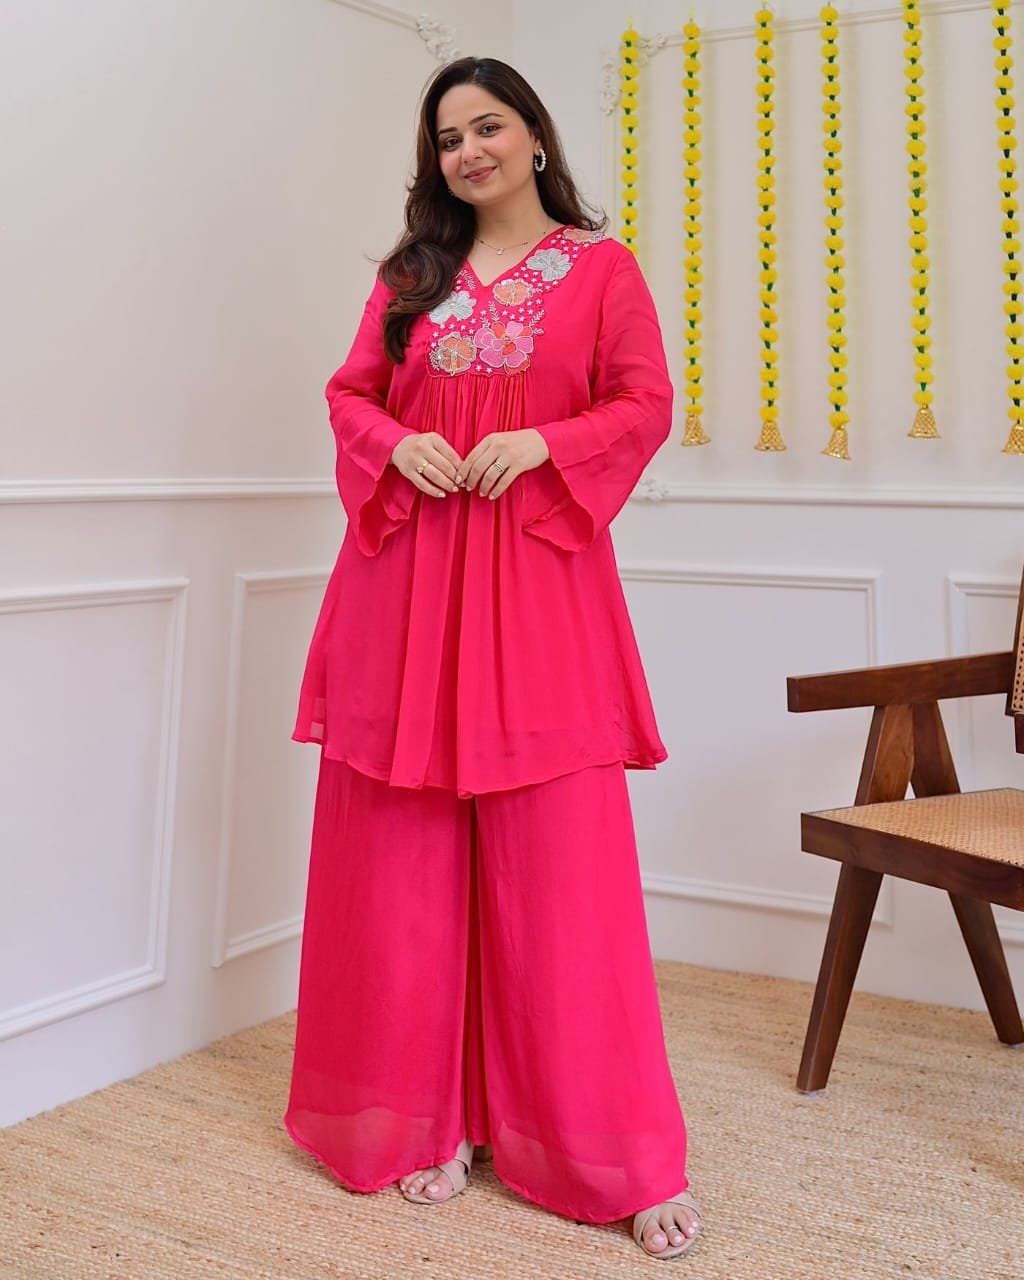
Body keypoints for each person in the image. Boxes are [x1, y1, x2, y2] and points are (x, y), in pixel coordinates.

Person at [283, 55, 702, 1262]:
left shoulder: (602, 270)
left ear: (533, 137)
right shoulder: (410, 276)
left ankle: (612, 1151)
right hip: (407, 587)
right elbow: (350, 396)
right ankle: (426, 1119)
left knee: (558, 868)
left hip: (534, 585)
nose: (467, 151)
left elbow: (644, 402)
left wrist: (543, 442)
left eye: (487, 127)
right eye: (447, 137)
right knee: (401, 861)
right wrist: (391, 444)